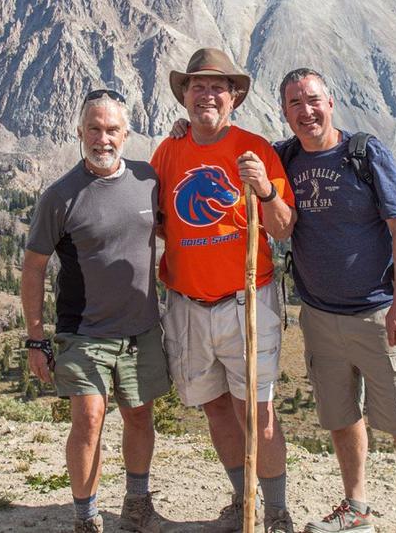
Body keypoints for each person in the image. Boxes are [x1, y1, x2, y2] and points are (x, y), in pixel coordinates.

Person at [279, 68, 396, 533]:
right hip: (319, 316)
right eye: (295, 103)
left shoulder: (365, 154)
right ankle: (357, 510)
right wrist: (185, 128)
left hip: (377, 315)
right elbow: (234, 154)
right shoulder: (286, 157)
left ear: (330, 102)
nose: (306, 111)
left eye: (312, 100)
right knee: (341, 416)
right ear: (285, 113)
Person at [150, 47, 297, 533]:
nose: (207, 94)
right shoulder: (169, 149)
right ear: (184, 96)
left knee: (256, 409)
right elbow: (153, 219)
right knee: (215, 407)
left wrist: (267, 191)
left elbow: (282, 228)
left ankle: (274, 512)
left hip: (245, 301)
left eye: (218, 86)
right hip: (188, 304)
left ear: (234, 96)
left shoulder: (255, 149)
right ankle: (243, 499)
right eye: (197, 86)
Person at [21, 88, 169, 533]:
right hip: (84, 331)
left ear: (126, 133)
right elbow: (33, 268)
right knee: (88, 419)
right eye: (94, 130)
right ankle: (86, 515)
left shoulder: (148, 179)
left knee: (140, 415)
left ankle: (137, 504)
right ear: (80, 132)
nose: (102, 139)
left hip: (142, 329)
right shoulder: (60, 196)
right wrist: (34, 337)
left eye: (111, 130)